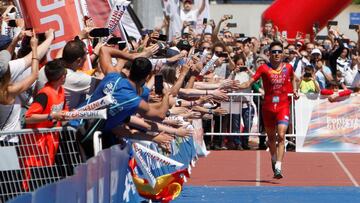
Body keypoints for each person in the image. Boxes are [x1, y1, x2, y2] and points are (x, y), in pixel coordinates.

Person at [237, 41, 298, 179]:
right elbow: (249, 82)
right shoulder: (263, 68)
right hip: (268, 108)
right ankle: (273, 157)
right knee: (271, 138)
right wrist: (235, 86)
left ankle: (278, 167)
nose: (277, 54)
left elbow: (293, 78)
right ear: (269, 54)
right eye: (274, 52)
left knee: (281, 135)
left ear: (282, 54)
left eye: (279, 52)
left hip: (283, 106)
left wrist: (294, 90)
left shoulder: (288, 67)